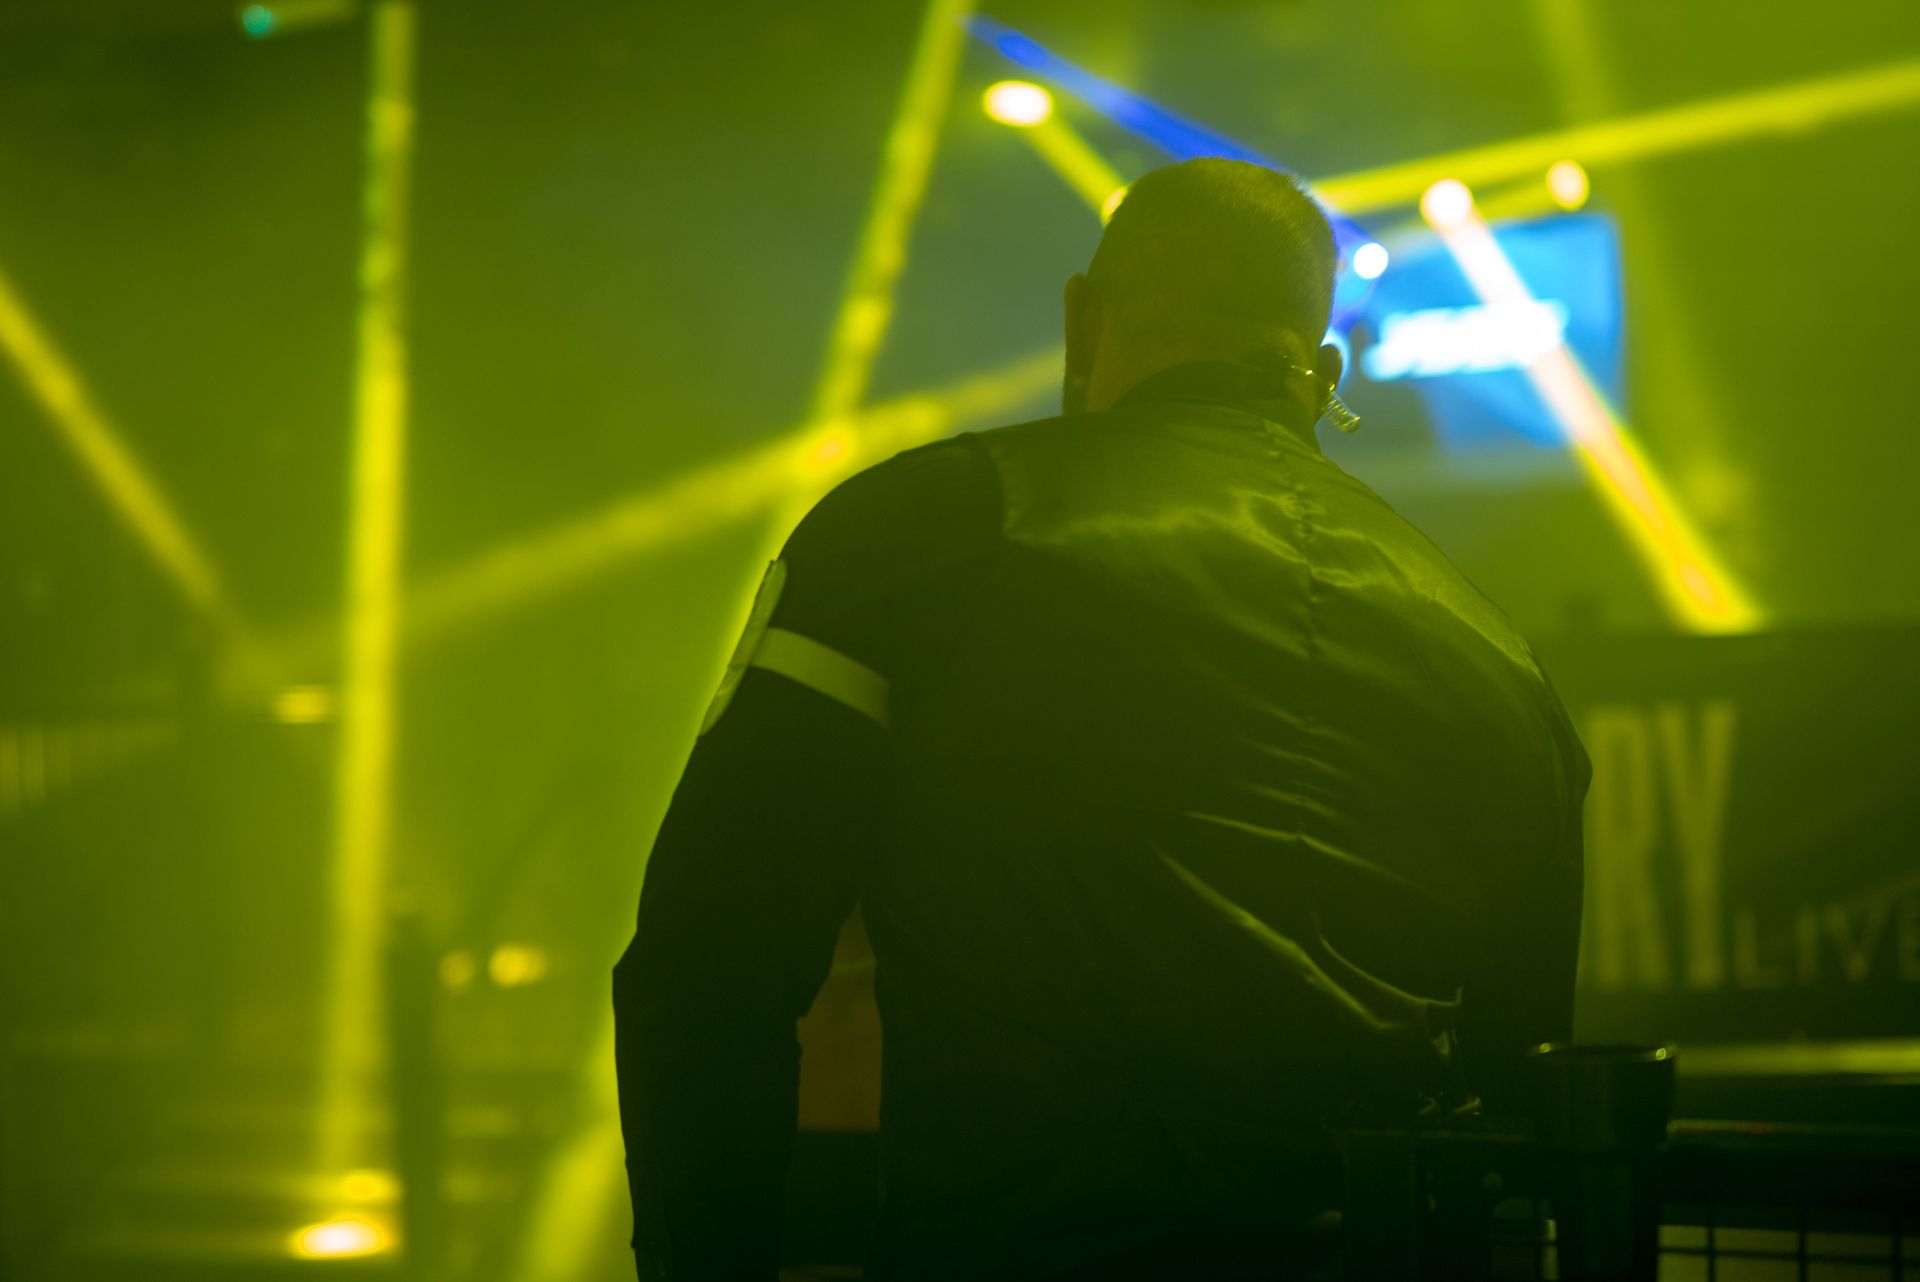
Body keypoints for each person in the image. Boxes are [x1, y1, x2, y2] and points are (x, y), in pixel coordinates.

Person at [613, 157, 1589, 1282]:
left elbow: (708, 964)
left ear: (1082, 321)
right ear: (1321, 374)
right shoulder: (1500, 659)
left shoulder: (931, 531)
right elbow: (1534, 1099)